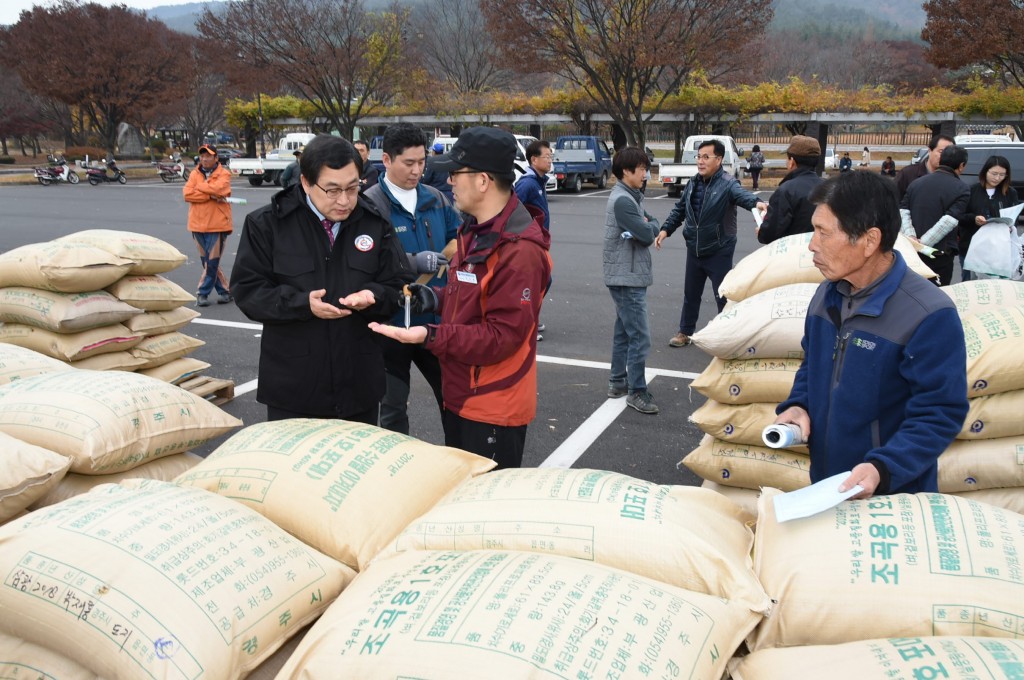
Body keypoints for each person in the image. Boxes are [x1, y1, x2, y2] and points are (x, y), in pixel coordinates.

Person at [774, 171, 968, 498]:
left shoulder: (928, 314)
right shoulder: (827, 296)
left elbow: (939, 413)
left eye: (823, 233)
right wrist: (798, 404)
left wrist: (883, 467)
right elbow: (813, 365)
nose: (811, 244)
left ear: (869, 240)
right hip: (827, 486)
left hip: (892, 496)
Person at [369, 127, 552, 469]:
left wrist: (431, 334)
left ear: (482, 181)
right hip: (463, 394)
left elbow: (502, 336)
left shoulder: (518, 251)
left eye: (455, 173)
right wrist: (435, 299)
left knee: (486, 506)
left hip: (493, 404)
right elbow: (469, 294)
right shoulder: (475, 228)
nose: (448, 181)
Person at [229, 134, 412, 423]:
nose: (344, 200)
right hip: (294, 390)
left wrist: (374, 296)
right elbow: (248, 291)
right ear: (305, 182)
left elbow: (398, 286)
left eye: (353, 188)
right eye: (332, 190)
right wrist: (302, 304)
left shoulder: (375, 222)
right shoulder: (268, 224)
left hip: (359, 386)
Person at [363, 123, 461, 436]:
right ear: (387, 160)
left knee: (453, 398)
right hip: (390, 323)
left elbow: (458, 239)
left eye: (422, 162)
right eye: (409, 163)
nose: (417, 170)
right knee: (392, 407)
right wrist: (410, 263)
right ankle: (398, 472)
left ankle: (460, 463)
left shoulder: (435, 198)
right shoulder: (368, 205)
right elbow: (363, 263)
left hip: (435, 318)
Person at [656, 139, 767, 347]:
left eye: (706, 157)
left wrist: (757, 203)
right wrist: (665, 230)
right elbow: (679, 210)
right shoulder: (692, 183)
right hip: (695, 248)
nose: (700, 161)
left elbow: (742, 196)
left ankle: (729, 335)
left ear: (719, 159)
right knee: (691, 294)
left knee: (723, 296)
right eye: (698, 157)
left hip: (719, 249)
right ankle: (685, 332)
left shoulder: (727, 183)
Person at [603, 147, 660, 415]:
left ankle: (617, 382)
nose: (646, 174)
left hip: (626, 272)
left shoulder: (629, 195)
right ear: (626, 171)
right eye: (642, 169)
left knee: (625, 331)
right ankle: (637, 391)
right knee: (639, 335)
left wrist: (649, 224)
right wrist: (648, 225)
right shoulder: (624, 200)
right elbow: (648, 234)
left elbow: (651, 223)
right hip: (627, 274)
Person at [899, 144, 970, 286]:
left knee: (912, 291)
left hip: (912, 253)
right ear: (962, 165)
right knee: (938, 294)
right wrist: (924, 244)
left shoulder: (916, 183)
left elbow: (903, 211)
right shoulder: (962, 188)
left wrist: (912, 239)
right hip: (940, 254)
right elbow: (949, 221)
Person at [183, 143, 233, 307]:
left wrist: (201, 188)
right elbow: (187, 194)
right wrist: (210, 195)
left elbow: (221, 190)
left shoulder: (224, 174)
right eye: (202, 156)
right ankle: (225, 292)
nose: (204, 159)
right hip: (196, 224)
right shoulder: (194, 173)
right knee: (208, 263)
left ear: (215, 158)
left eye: (208, 156)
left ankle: (202, 293)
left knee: (212, 262)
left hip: (217, 225)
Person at [515, 139, 553, 341]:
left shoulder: (538, 181)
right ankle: (526, 324)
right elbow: (513, 210)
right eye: (546, 157)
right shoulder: (527, 183)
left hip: (539, 242)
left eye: (551, 156)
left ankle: (531, 320)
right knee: (538, 282)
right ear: (533, 159)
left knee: (542, 280)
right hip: (528, 244)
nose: (550, 160)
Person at [960, 155, 1021, 281]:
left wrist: (1009, 226)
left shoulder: (1010, 193)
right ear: (985, 171)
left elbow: (1014, 217)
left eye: (1002, 175)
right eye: (994, 173)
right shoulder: (971, 190)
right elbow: (960, 216)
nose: (997, 178)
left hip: (999, 248)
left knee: (996, 287)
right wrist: (974, 219)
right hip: (972, 246)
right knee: (969, 283)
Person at [757, 135, 822, 244]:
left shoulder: (786, 190)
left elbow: (770, 234)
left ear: (792, 161)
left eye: (787, 158)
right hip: (823, 254)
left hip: (793, 253)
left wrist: (761, 232)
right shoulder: (830, 188)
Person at [896, 134, 955, 200]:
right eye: (941, 152)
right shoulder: (907, 174)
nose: (945, 156)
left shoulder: (953, 179)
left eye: (949, 153)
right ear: (929, 151)